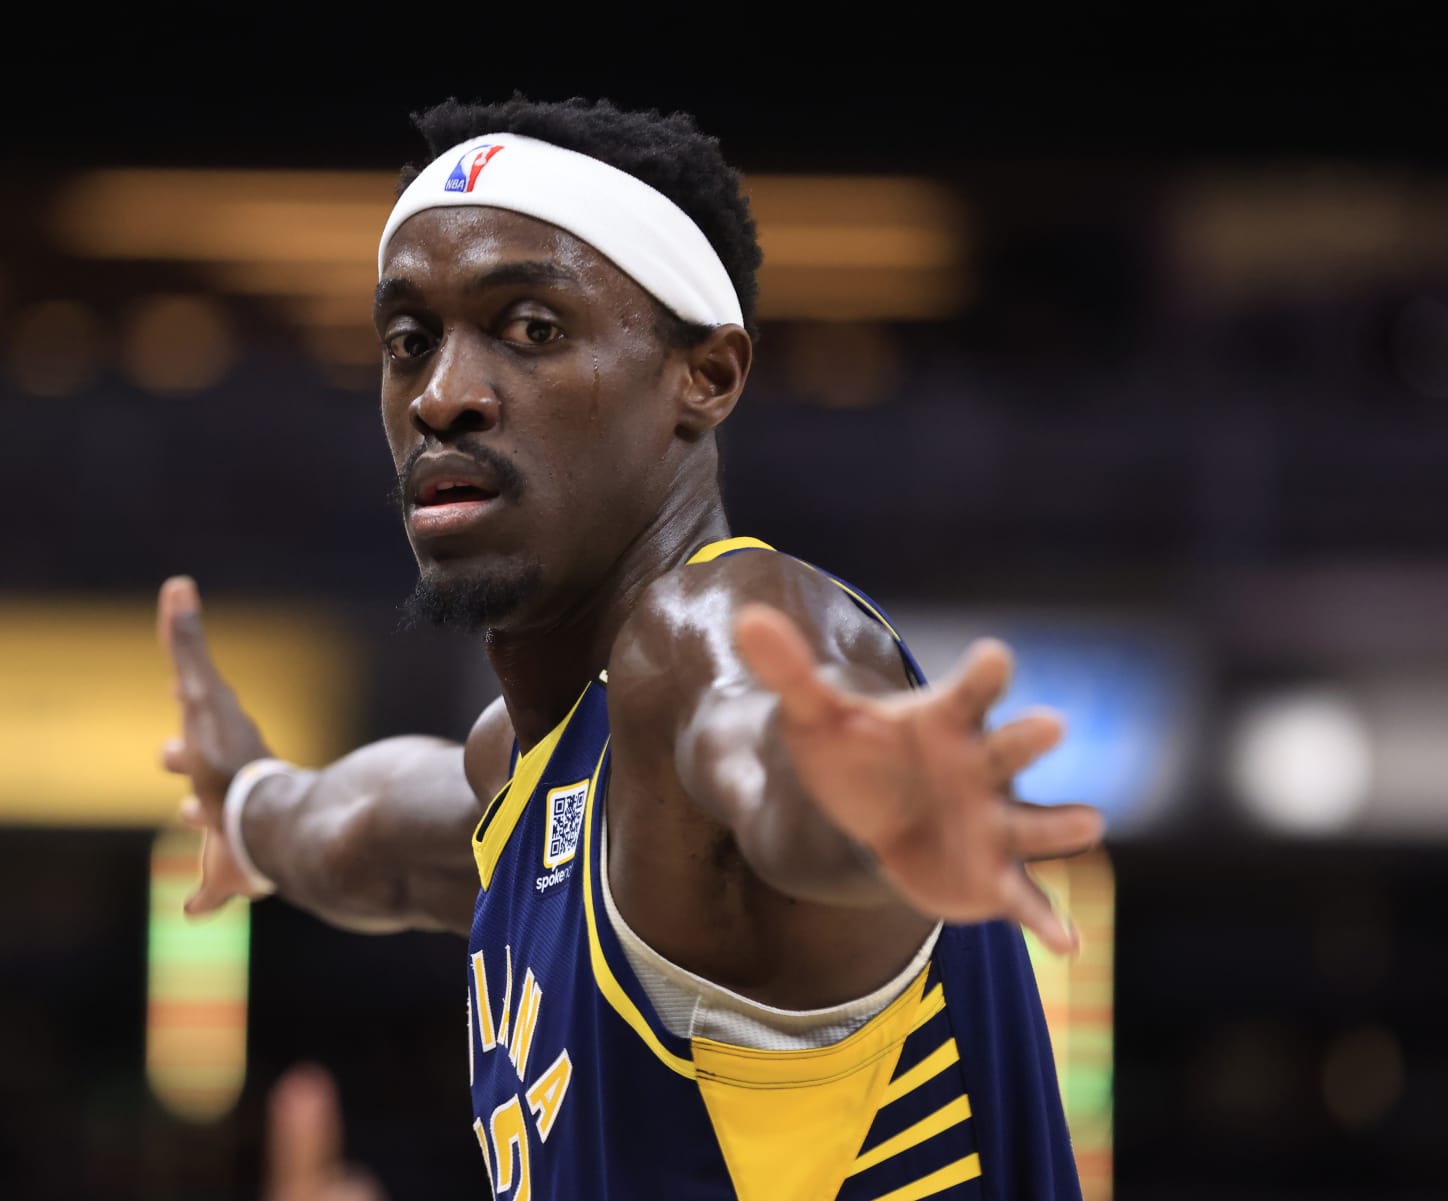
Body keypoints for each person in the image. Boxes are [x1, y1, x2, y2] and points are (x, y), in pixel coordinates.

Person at [159, 95, 1102, 1200]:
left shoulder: (707, 639)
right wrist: (247, 802)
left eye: (532, 329)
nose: (443, 396)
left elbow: (749, 741)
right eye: (410, 341)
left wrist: (856, 801)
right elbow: (360, 831)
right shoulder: (523, 780)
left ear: (704, 377)